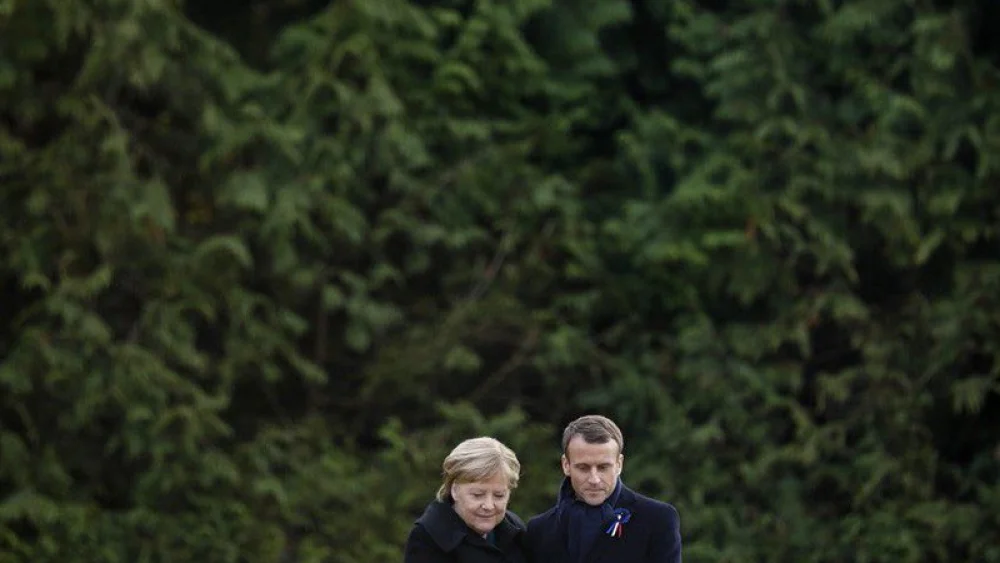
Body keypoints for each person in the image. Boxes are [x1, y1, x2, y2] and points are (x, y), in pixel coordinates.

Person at [523, 415, 682, 563]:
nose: (594, 479)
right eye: (583, 468)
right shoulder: (539, 530)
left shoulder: (658, 519)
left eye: (603, 467)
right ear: (566, 465)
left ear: (619, 464)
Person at [404, 436, 529, 563]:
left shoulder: (515, 530)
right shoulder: (429, 537)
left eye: (499, 495)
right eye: (477, 495)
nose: (489, 505)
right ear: (454, 490)